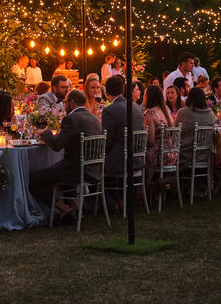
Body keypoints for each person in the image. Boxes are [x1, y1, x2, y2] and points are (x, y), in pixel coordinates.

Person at [28, 89, 102, 221]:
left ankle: (62, 208)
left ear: (72, 103)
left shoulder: (71, 119)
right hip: (93, 169)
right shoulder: (94, 118)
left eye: (65, 102)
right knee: (56, 170)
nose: (64, 104)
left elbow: (57, 146)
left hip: (75, 170)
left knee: (34, 179)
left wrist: (46, 133)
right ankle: (74, 206)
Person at [101, 74, 144, 207]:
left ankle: (111, 202)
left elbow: (106, 141)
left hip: (120, 161)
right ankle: (117, 200)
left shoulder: (110, 110)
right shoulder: (136, 107)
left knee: (91, 167)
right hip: (137, 159)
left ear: (106, 93)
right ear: (123, 90)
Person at [176, 86, 217, 170]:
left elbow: (174, 131)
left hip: (185, 155)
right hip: (205, 155)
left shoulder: (183, 112)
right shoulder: (210, 114)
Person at [142, 84, 173, 173]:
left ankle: (142, 186)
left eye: (145, 94)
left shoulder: (150, 114)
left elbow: (150, 141)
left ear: (149, 97)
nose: (143, 97)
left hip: (159, 156)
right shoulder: (166, 110)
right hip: (171, 154)